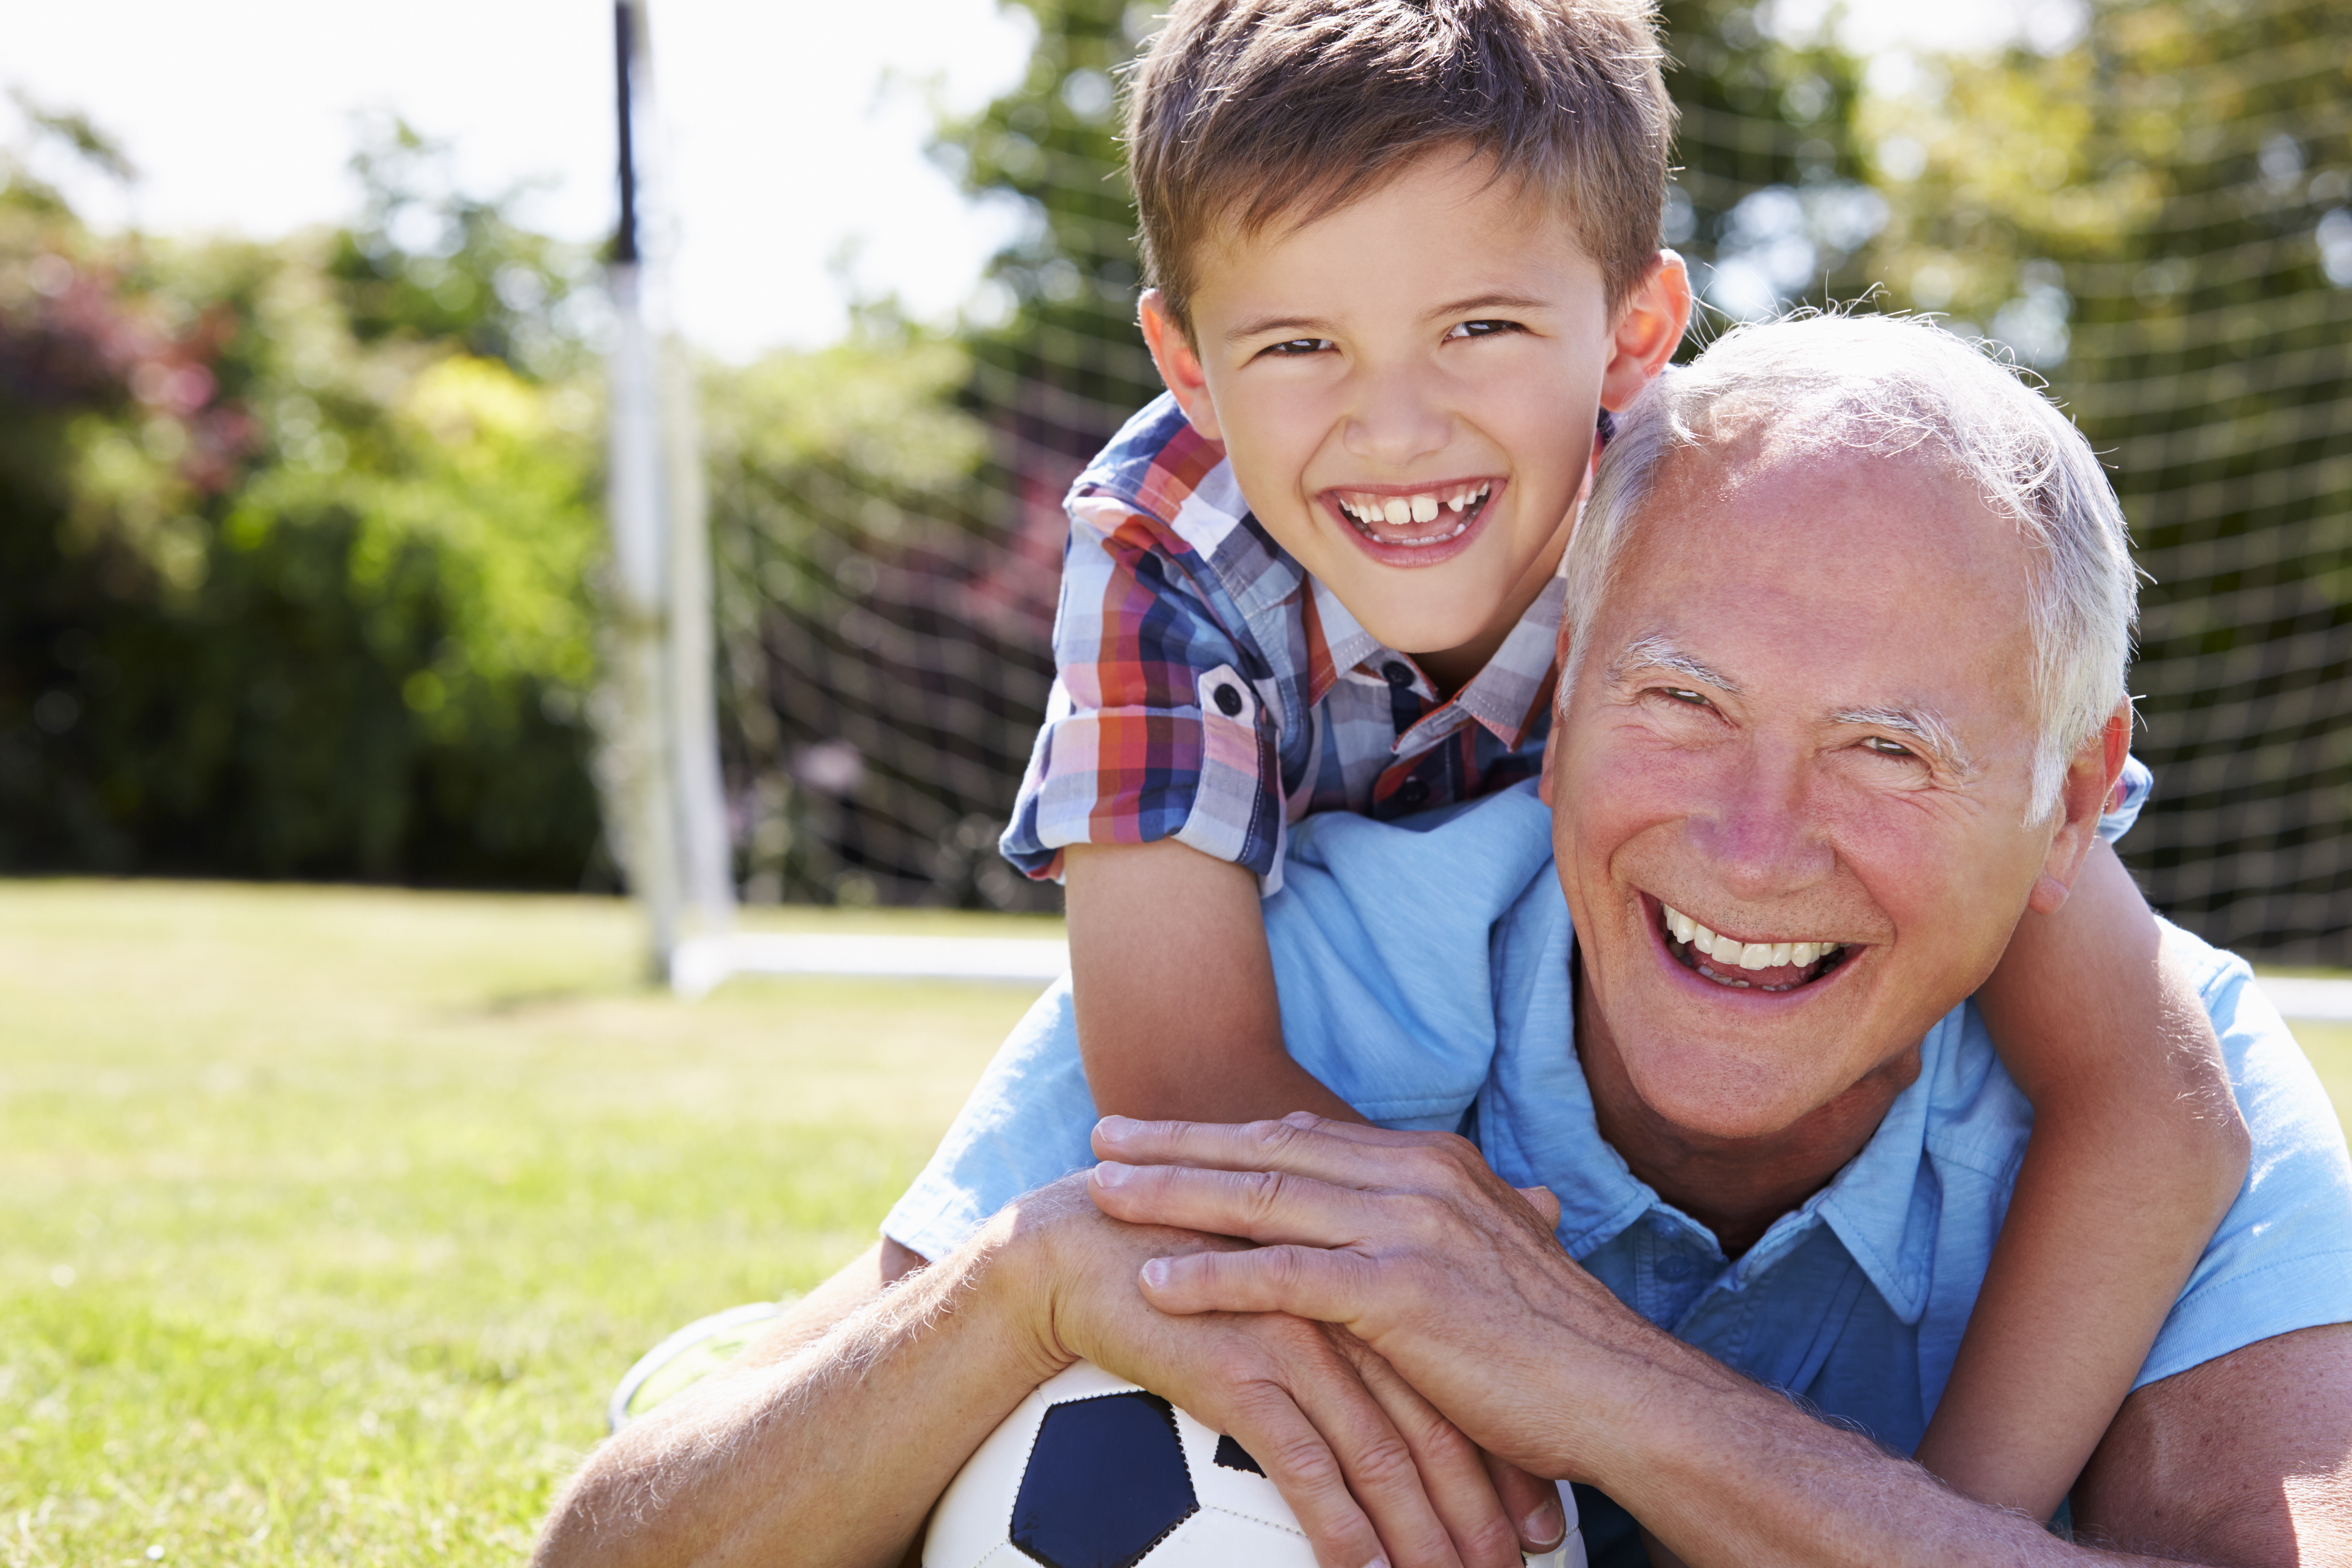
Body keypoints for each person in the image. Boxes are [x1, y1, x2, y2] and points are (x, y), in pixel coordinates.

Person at [531, 314, 2352, 1568]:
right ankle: (749, 1344)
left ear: (2076, 794)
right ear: (1559, 686)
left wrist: (1612, 1394)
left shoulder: (2185, 1095)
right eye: (1681, 698)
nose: (1753, 841)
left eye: (1891, 749)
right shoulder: (1305, 970)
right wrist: (1015, 1293)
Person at [997, 0, 2237, 1514]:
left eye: (1482, 328)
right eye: (1300, 343)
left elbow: (2152, 1102)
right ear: (1186, 362)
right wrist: (1511, 1304)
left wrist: (1928, 1527)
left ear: (1635, 335)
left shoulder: (1734, 519)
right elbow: (1189, 1091)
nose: (1397, 428)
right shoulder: (1161, 559)